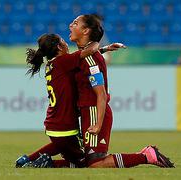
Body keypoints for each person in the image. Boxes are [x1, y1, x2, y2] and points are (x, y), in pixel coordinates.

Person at [68, 14, 174, 168]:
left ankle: (146, 156)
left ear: (85, 31)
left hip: (94, 112)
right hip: (89, 112)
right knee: (86, 160)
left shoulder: (90, 60)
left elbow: (101, 95)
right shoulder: (87, 55)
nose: (70, 26)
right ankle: (46, 164)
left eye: (75, 23)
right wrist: (105, 48)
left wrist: (97, 124)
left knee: (94, 163)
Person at [15, 34, 124, 168]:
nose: (67, 44)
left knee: (62, 145)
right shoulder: (64, 62)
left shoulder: (54, 64)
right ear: (60, 47)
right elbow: (89, 51)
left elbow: (83, 57)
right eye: (63, 41)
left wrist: (105, 49)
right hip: (65, 126)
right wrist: (96, 42)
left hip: (53, 124)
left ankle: (26, 160)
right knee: (88, 162)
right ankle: (46, 163)